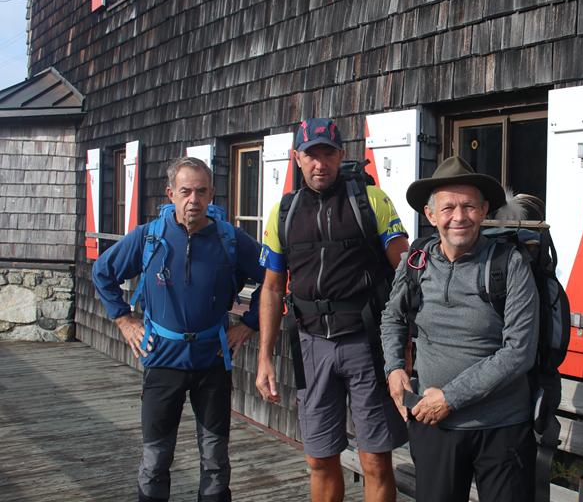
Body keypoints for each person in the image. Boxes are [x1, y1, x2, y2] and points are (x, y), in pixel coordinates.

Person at [92, 157, 263, 502]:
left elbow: (275, 279)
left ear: (212, 194)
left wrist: (248, 324)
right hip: (162, 360)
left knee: (215, 460)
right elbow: (103, 272)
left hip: (212, 360)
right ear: (171, 194)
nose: (193, 200)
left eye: (201, 191)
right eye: (185, 191)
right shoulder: (148, 237)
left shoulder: (230, 239)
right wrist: (124, 319)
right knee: (155, 460)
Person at [256, 118, 409, 502]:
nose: (319, 163)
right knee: (320, 460)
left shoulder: (370, 201)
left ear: (341, 155)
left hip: (367, 342)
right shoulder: (284, 211)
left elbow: (407, 276)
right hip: (311, 345)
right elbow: (272, 288)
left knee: (375, 460)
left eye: (328, 154)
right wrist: (264, 357)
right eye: (311, 155)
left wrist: (404, 347)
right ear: (297, 158)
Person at [380, 156, 540, 502]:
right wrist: (394, 368)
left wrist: (450, 398)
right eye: (448, 207)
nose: (459, 216)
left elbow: (519, 352)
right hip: (434, 425)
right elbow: (392, 317)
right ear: (430, 214)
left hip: (501, 428)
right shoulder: (416, 262)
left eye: (468, 206)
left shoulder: (509, 264)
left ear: (483, 211)